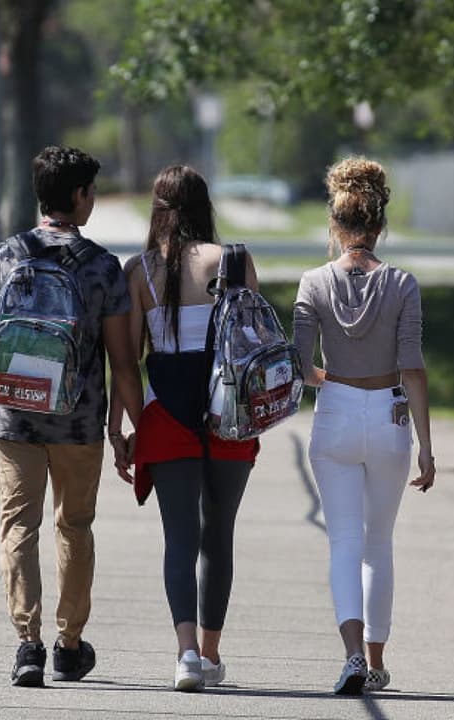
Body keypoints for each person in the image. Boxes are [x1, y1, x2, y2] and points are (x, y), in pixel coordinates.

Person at [0, 145, 144, 687]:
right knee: (75, 525)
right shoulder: (101, 266)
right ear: (79, 196)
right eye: (91, 191)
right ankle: (69, 645)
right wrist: (127, 428)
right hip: (78, 421)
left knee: (19, 524)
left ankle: (28, 644)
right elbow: (122, 361)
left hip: (14, 414)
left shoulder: (8, 254)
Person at [107, 165, 260, 692]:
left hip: (167, 413)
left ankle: (187, 654)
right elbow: (255, 346)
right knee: (219, 536)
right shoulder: (234, 261)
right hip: (229, 414)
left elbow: (126, 363)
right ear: (205, 206)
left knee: (179, 537)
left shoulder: (140, 270)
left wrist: (126, 426)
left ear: (158, 210)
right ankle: (212, 655)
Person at [292, 156, 435, 695]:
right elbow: (412, 367)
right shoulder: (402, 284)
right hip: (390, 414)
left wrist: (326, 377)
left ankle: (351, 654)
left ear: (335, 223)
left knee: (344, 542)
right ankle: (376, 660)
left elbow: (300, 364)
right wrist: (426, 446)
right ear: (380, 224)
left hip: (335, 412)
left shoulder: (313, 282)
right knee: (379, 543)